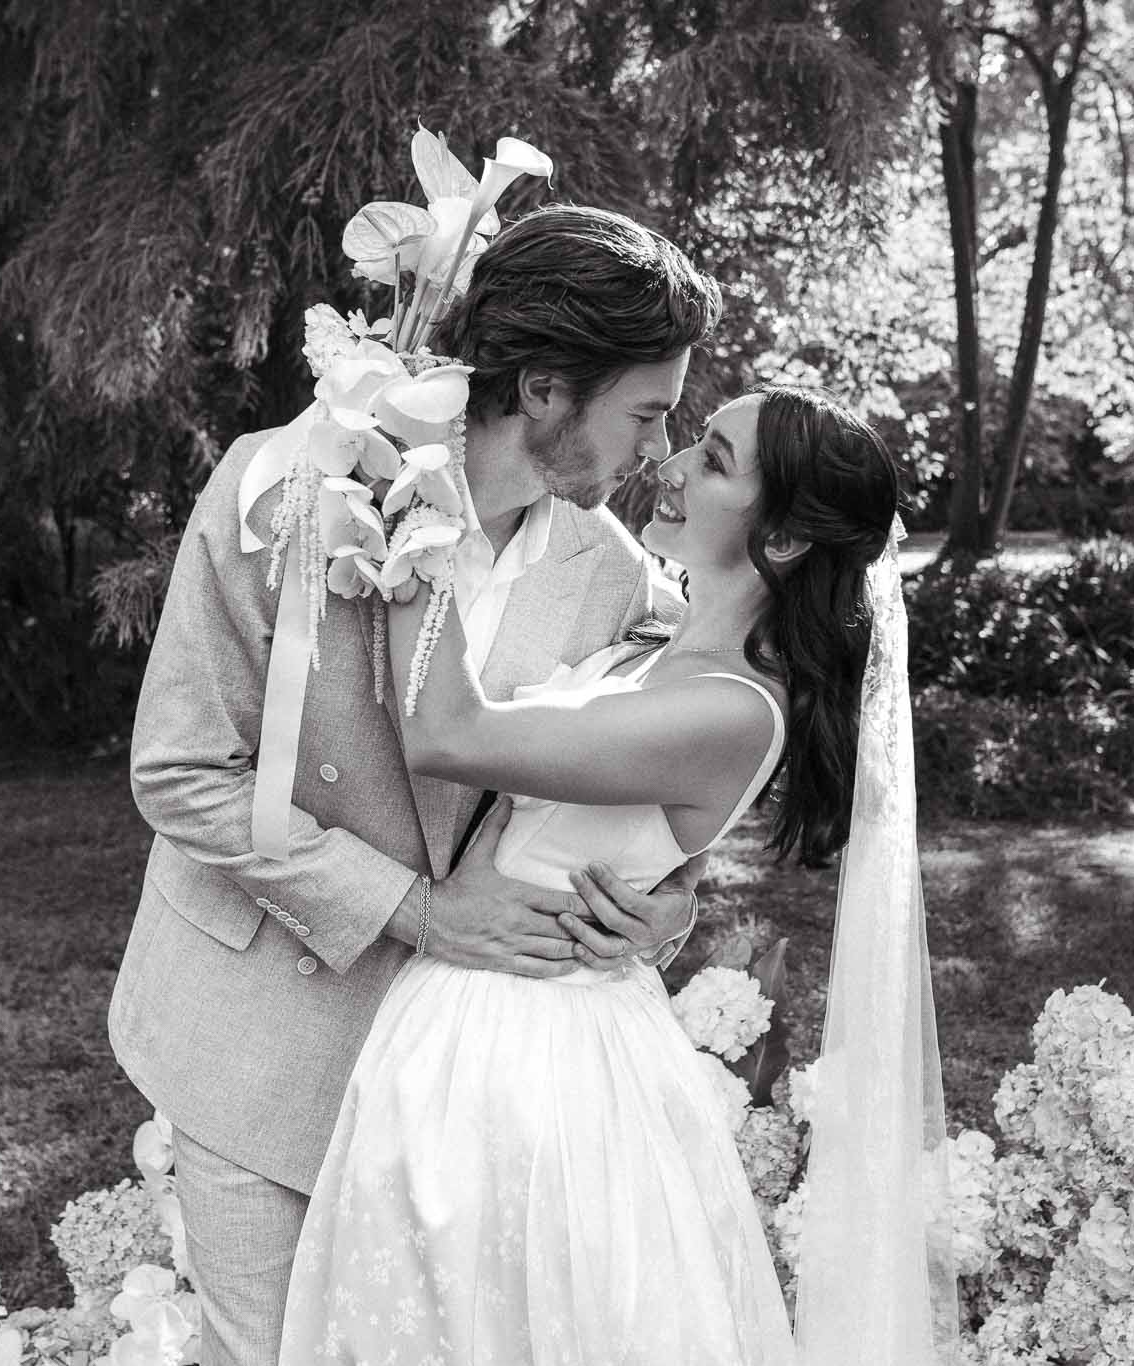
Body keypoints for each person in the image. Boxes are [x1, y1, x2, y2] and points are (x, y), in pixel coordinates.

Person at [109, 205, 726, 1364]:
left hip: (458, 1091)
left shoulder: (610, 573)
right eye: (646, 412)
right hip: (259, 1038)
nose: (658, 449)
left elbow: (660, 763)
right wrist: (417, 910)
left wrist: (670, 894)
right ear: (543, 388)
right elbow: (184, 768)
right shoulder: (283, 493)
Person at [279, 384, 951, 1364]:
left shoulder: (727, 709)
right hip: (482, 1015)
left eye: (712, 460)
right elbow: (632, 829)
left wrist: (412, 505)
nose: (669, 465)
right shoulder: (661, 637)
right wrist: (669, 900)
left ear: (783, 540)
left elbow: (447, 734)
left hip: (537, 1053)